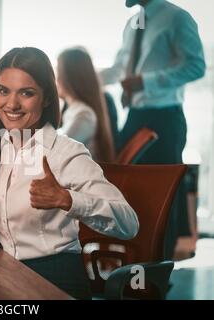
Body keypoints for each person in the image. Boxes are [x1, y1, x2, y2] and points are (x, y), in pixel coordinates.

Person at [0, 47, 139, 299]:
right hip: (2, 273)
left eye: (26, 93)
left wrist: (67, 199)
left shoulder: (65, 153)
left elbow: (128, 223)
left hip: (54, 279)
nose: (12, 104)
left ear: (45, 99)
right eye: (3, 91)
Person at [99, 0, 206, 259]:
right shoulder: (132, 23)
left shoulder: (177, 18)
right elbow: (120, 70)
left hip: (165, 118)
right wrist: (81, 80)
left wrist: (146, 82)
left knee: (162, 193)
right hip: (135, 115)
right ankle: (137, 262)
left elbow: (196, 66)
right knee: (133, 189)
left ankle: (160, 265)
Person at [56, 47, 116, 162]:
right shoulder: (75, 110)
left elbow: (57, 150)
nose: (56, 79)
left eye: (58, 72)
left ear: (69, 77)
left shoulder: (84, 115)